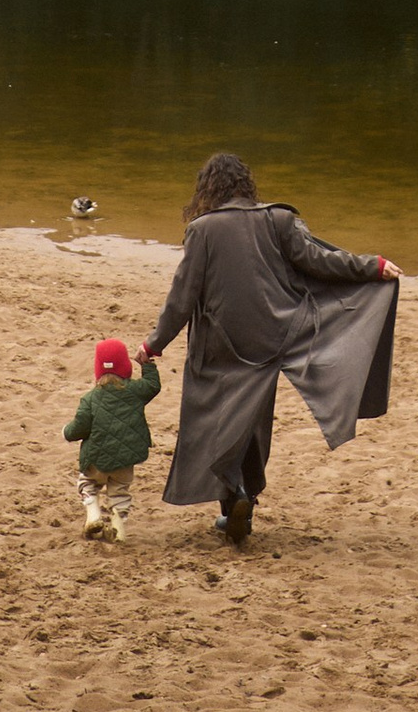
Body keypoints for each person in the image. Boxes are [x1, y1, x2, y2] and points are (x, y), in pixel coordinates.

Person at [143, 150, 397, 545]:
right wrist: (373, 266)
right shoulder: (279, 219)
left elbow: (182, 297)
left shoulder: (202, 230)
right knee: (253, 425)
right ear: (246, 185)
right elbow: (321, 262)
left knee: (215, 421)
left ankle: (234, 502)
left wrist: (153, 344)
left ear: (208, 189)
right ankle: (245, 498)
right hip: (272, 339)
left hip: (219, 345)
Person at [63, 333, 162, 542]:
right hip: (125, 460)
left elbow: (79, 427)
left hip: (96, 459)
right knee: (119, 493)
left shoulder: (90, 398)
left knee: (87, 484)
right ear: (125, 365)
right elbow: (153, 385)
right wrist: (147, 363)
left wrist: (67, 432)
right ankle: (118, 527)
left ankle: (93, 515)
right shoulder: (135, 391)